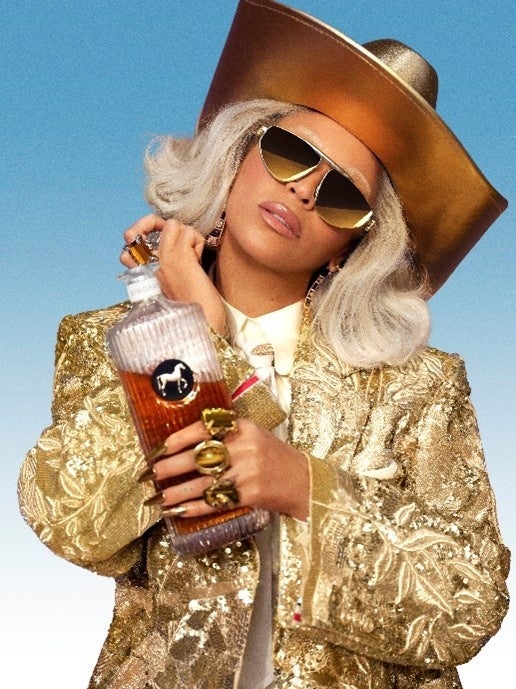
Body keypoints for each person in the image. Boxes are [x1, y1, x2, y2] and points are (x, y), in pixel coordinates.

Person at [18, 1, 510, 687]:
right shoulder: (112, 344)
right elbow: (69, 519)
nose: (305, 189)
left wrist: (304, 486)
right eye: (290, 153)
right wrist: (189, 337)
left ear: (352, 246)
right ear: (238, 155)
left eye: (343, 195)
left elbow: (471, 602)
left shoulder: (417, 385)